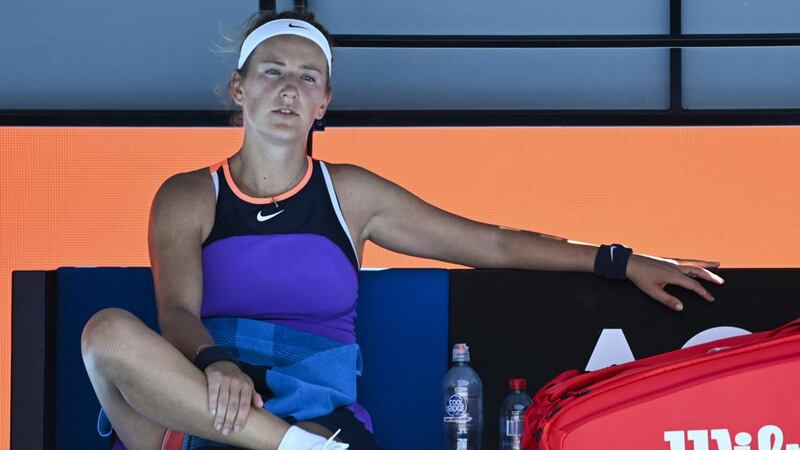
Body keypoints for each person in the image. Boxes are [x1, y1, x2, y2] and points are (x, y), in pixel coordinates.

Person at [80, 9, 724, 450]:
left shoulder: (349, 193)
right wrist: (218, 366)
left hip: (318, 413)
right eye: (272, 71)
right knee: (104, 334)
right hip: (214, 411)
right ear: (238, 86)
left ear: (324, 103)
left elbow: (491, 243)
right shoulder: (188, 194)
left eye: (308, 78)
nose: (288, 89)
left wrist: (619, 261)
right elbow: (175, 313)